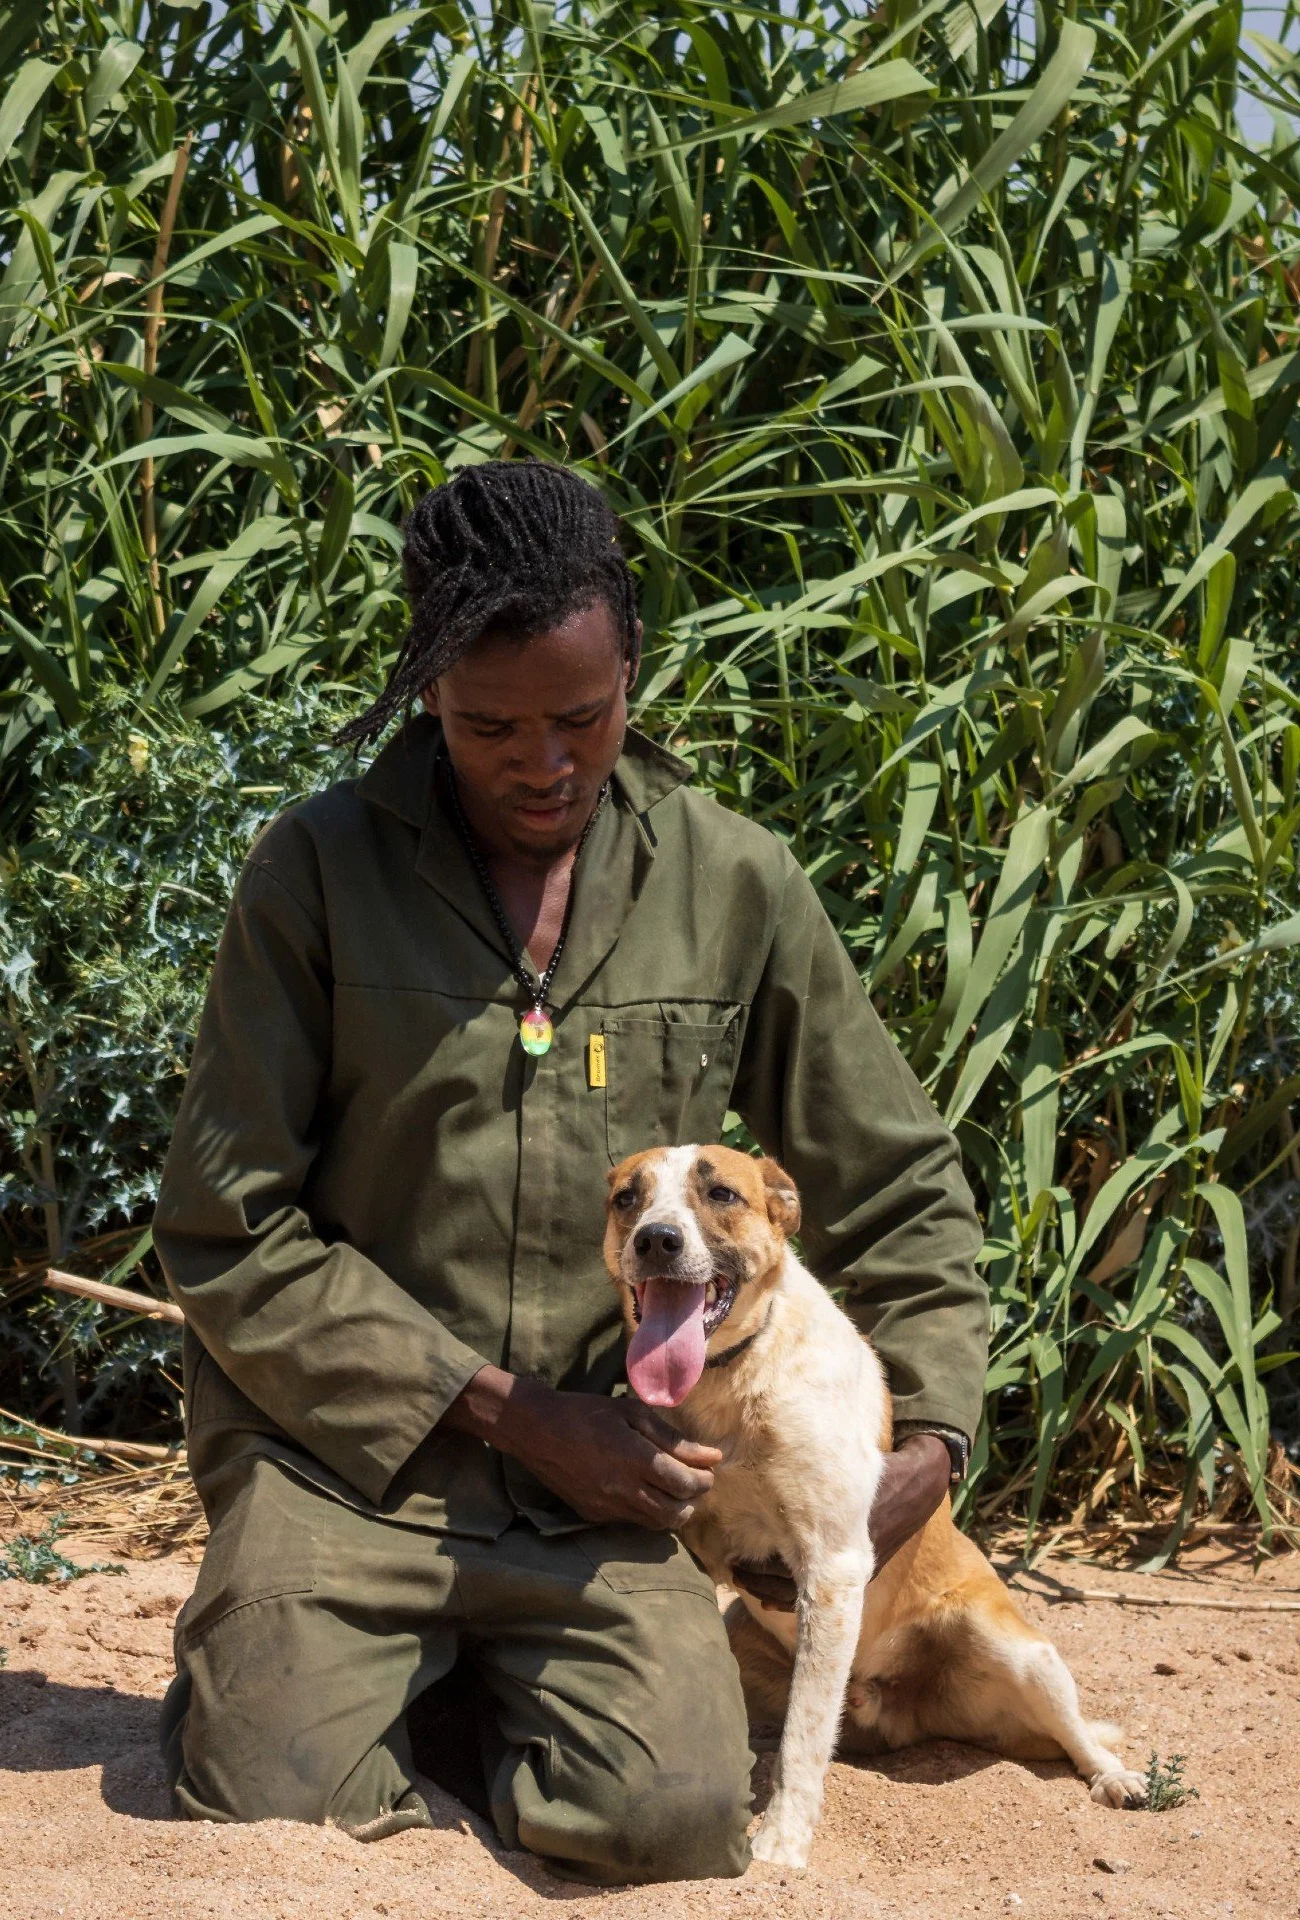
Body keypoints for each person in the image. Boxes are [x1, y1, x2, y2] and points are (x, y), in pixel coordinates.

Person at [153, 459, 988, 1884]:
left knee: (666, 1820)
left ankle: (478, 1688)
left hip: (613, 1499)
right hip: (348, 1465)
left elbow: (900, 1183)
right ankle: (330, 1659)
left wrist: (928, 1447)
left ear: (633, 673)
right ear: (426, 691)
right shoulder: (315, 872)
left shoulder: (730, 882)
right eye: (490, 727)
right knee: (275, 1789)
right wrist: (512, 1413)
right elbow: (226, 1230)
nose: (543, 763)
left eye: (583, 720)